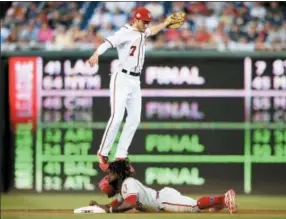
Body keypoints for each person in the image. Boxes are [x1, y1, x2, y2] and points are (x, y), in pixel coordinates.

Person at [87, 8, 178, 172]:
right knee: (116, 118)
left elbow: (152, 30)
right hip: (121, 78)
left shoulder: (143, 31)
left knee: (134, 119)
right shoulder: (124, 32)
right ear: (136, 19)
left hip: (135, 80)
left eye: (147, 22)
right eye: (144, 21)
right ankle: (103, 152)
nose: (146, 24)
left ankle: (121, 154)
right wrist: (96, 54)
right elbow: (108, 42)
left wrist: (165, 23)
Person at [74, 160, 238, 214]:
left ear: (118, 176)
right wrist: (98, 207)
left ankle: (223, 198)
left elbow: (130, 203)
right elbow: (112, 206)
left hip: (164, 201)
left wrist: (111, 211)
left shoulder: (128, 184)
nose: (107, 178)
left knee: (195, 206)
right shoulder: (123, 190)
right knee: (195, 206)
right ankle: (221, 204)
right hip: (162, 198)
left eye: (110, 174)